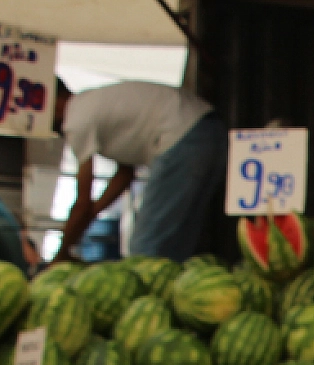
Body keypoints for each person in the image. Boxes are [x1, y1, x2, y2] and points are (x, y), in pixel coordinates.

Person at [51, 79, 226, 262]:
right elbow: (124, 175)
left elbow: (82, 202)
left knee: (145, 250)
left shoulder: (74, 120)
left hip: (180, 137)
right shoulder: (91, 103)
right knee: (177, 247)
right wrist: (92, 214)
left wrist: (61, 253)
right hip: (208, 127)